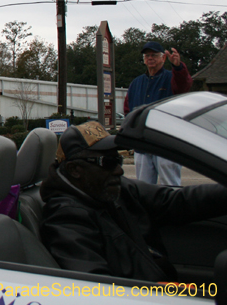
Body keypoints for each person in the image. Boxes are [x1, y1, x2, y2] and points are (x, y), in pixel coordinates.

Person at [40, 121, 227, 281]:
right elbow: (95, 288)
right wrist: (154, 294)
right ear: (75, 170)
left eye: (118, 160)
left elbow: (177, 201)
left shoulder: (117, 189)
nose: (118, 170)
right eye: (107, 162)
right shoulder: (66, 218)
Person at [124, 41, 192, 186]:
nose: (150, 58)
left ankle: (174, 209)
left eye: (154, 55)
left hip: (166, 144)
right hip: (142, 144)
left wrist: (178, 67)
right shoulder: (136, 83)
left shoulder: (172, 77)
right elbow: (128, 111)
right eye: (147, 55)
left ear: (163, 58)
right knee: (143, 188)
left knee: (171, 186)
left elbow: (184, 84)